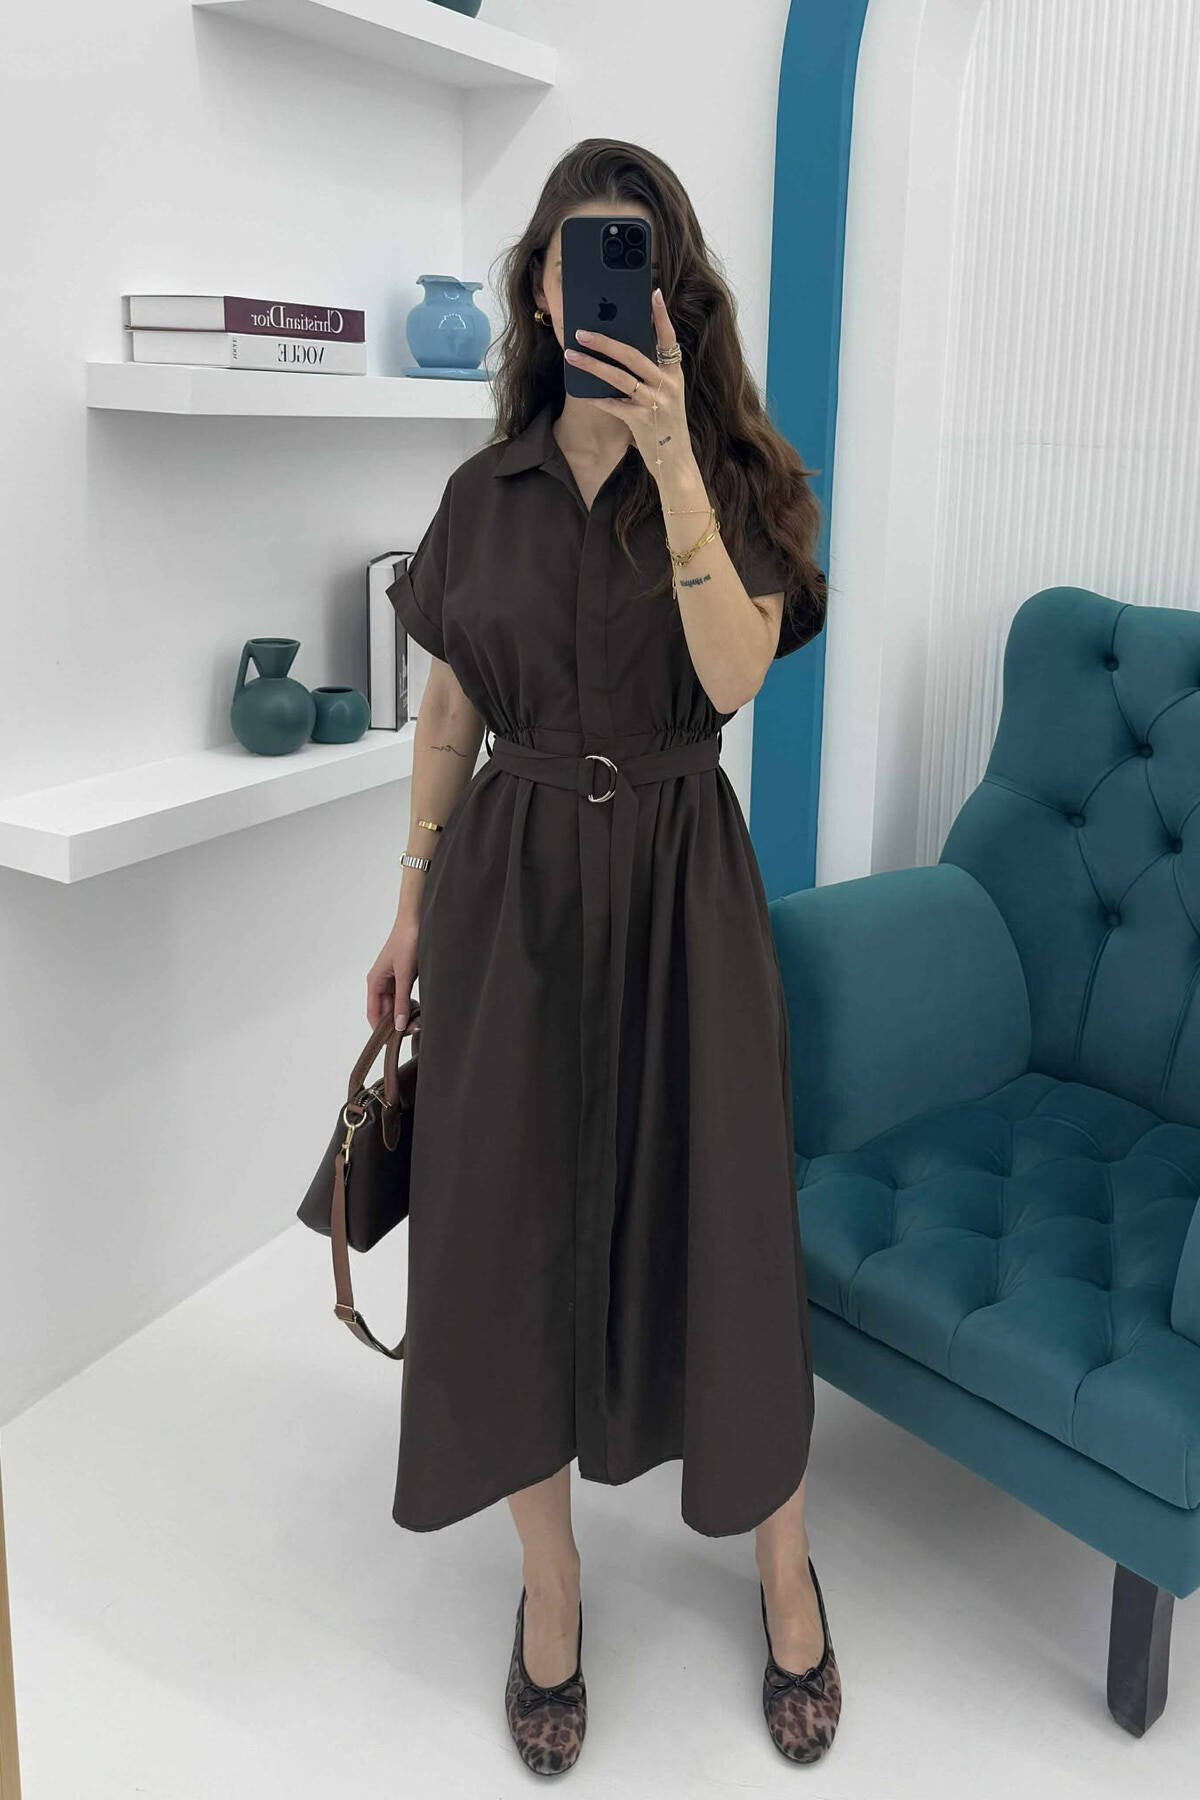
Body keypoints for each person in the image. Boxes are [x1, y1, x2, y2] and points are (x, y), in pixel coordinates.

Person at [367, 138, 839, 1775]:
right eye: (577, 256)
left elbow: (735, 674)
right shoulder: (479, 497)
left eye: (632, 256)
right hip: (511, 897)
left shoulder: (740, 477)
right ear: (538, 288)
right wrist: (411, 902)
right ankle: (552, 1590)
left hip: (682, 886)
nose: (601, 285)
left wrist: (675, 461)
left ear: (673, 292)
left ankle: (786, 1568)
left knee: (726, 1226)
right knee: (505, 1232)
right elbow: (450, 708)